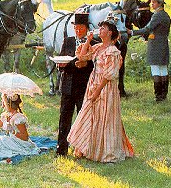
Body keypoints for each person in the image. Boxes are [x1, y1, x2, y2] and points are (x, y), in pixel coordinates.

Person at [67, 20, 134, 163]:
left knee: (105, 117)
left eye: (103, 28)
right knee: (90, 116)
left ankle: (107, 153)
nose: (100, 30)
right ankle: (88, 147)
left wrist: (97, 92)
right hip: (94, 83)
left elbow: (109, 75)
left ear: (109, 32)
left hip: (106, 87)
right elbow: (81, 56)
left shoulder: (113, 52)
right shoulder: (98, 47)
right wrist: (88, 40)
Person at [56, 13, 94, 156]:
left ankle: (82, 149)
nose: (78, 31)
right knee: (64, 118)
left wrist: (85, 63)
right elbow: (61, 60)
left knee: (82, 118)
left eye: (81, 28)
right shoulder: (68, 41)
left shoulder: (93, 43)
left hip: (84, 86)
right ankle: (61, 149)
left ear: (86, 28)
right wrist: (61, 65)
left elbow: (95, 66)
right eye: (76, 28)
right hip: (67, 85)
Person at [127, 0, 171, 102]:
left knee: (155, 70)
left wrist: (132, 32)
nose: (152, 4)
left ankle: (158, 96)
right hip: (164, 44)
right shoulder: (166, 16)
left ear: (159, 3)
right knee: (163, 70)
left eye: (153, 2)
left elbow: (147, 29)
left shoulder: (157, 16)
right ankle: (163, 95)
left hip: (155, 45)